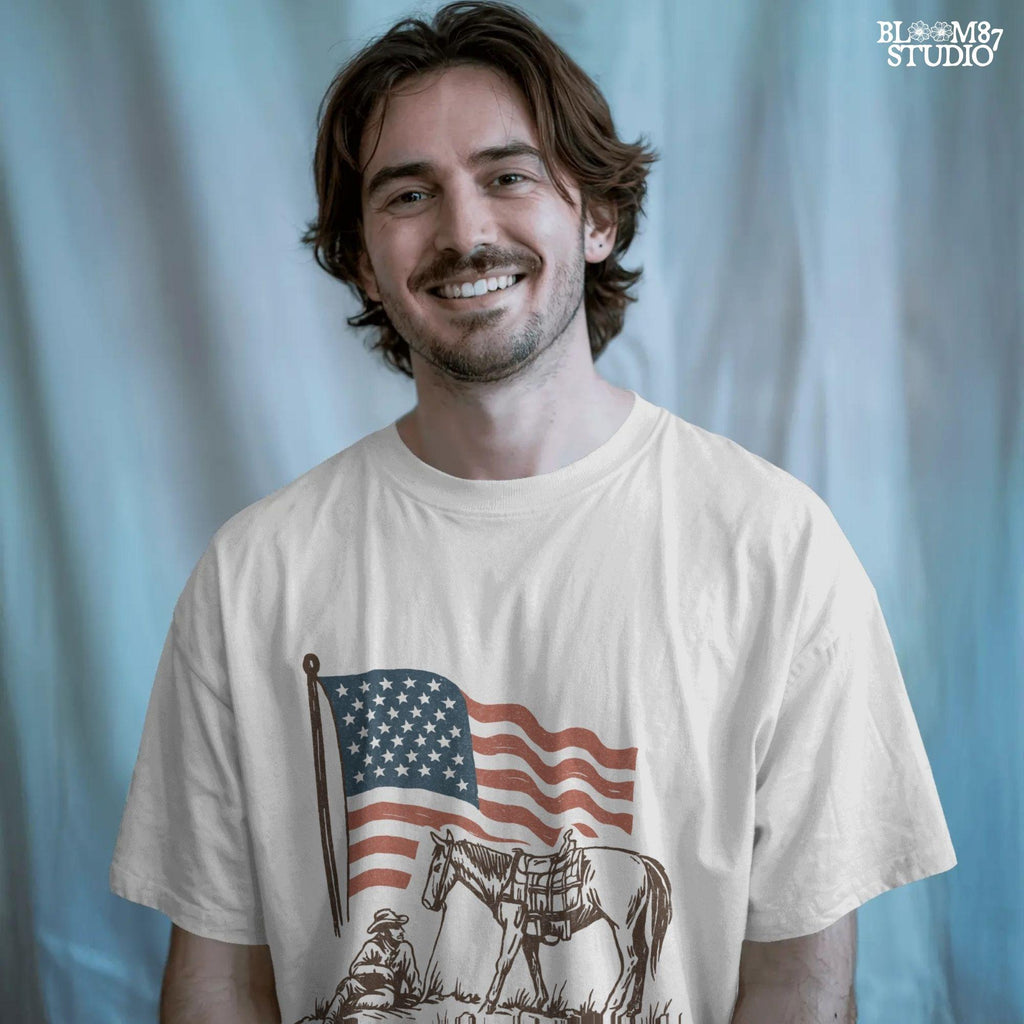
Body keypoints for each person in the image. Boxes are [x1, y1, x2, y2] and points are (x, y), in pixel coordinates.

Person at [110, 3, 957, 1022]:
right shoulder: (253, 573)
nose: (465, 233)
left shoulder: (775, 549)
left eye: (508, 177)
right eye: (408, 194)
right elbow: (218, 980)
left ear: (597, 219)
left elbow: (799, 983)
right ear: (363, 260)